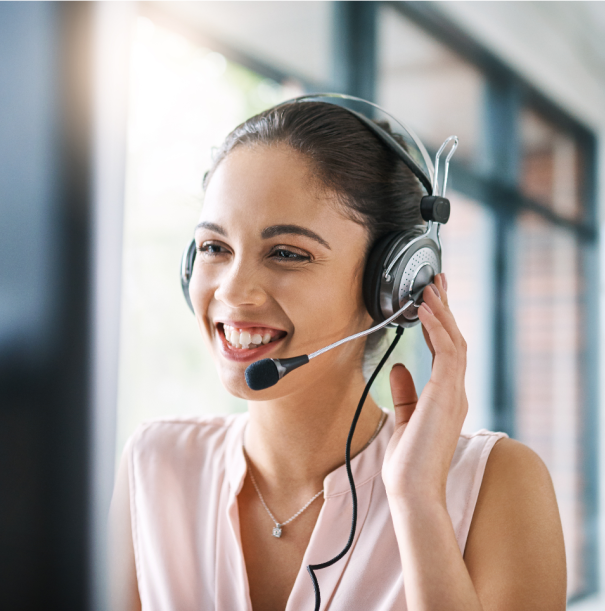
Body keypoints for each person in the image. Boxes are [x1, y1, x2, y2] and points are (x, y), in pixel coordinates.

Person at [109, 100, 566, 610]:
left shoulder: (500, 486)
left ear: (394, 286)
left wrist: (418, 501)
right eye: (215, 247)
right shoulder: (156, 465)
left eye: (286, 253)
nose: (234, 293)